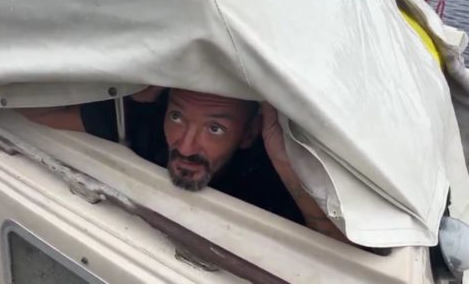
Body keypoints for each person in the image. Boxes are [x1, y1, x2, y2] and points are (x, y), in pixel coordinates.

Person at [18, 87, 348, 242]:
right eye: (177, 116)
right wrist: (123, 88)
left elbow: (341, 251)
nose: (186, 146)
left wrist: (283, 159)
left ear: (249, 133)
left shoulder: (267, 173)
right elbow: (31, 110)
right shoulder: (141, 125)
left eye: (214, 129)